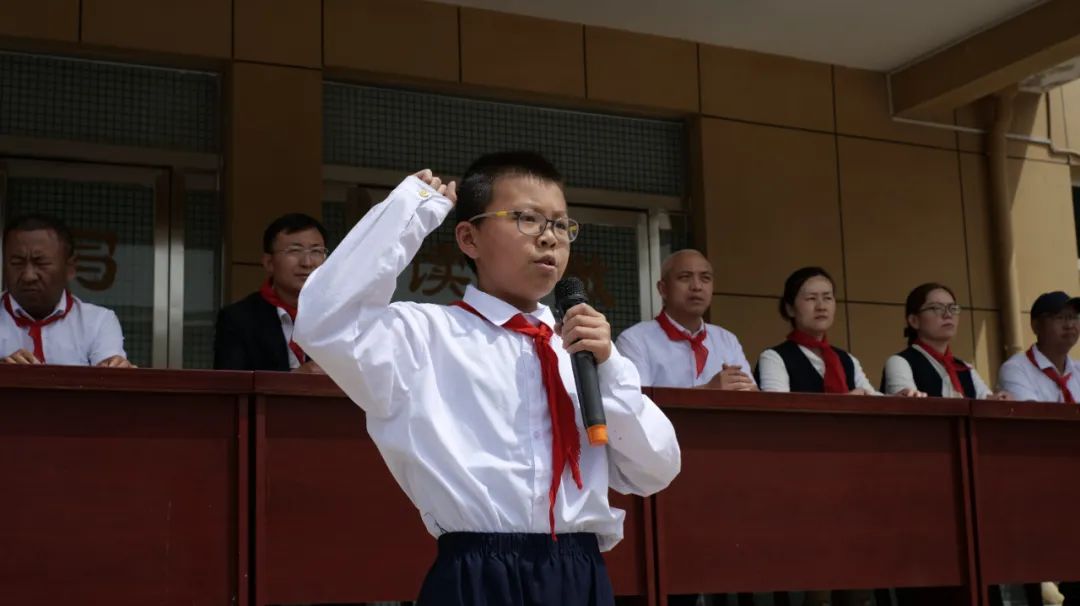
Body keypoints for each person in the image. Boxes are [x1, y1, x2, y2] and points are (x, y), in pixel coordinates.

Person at [293, 152, 681, 606]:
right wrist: (408, 213)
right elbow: (326, 320)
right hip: (478, 570)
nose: (548, 239)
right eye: (526, 219)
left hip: (579, 569)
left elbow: (655, 469)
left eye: (560, 224)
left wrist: (610, 366)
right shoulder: (423, 335)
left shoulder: (581, 350)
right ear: (469, 237)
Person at [757, 266, 917, 396]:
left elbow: (871, 397)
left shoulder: (847, 359)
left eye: (827, 298)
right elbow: (779, 410)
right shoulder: (774, 358)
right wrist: (844, 403)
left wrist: (897, 399)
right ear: (790, 308)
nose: (821, 306)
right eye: (811, 298)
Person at [1, 214, 132, 367]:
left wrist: (116, 370)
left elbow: (109, 378)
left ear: (70, 267)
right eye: (17, 263)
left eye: (41, 263)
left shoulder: (98, 322)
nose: (29, 276)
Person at [616, 249, 756, 390]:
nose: (697, 286)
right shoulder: (635, 340)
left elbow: (755, 397)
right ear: (663, 289)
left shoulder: (727, 340)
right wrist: (708, 392)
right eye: (685, 277)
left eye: (705, 278)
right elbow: (635, 403)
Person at [214, 213, 328, 372]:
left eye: (316, 251)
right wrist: (293, 381)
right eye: (295, 251)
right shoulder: (238, 319)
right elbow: (229, 388)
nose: (307, 263)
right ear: (269, 263)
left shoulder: (340, 316)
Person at [882, 282, 1008, 399]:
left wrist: (999, 400)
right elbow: (906, 407)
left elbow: (988, 404)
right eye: (936, 308)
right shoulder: (900, 362)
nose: (948, 314)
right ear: (914, 320)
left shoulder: (965, 368)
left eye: (952, 308)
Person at [998, 291, 1080, 403]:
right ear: (1036, 326)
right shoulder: (1016, 369)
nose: (1070, 325)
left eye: (1073, 317)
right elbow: (1034, 418)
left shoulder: (1077, 370)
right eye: (1060, 317)